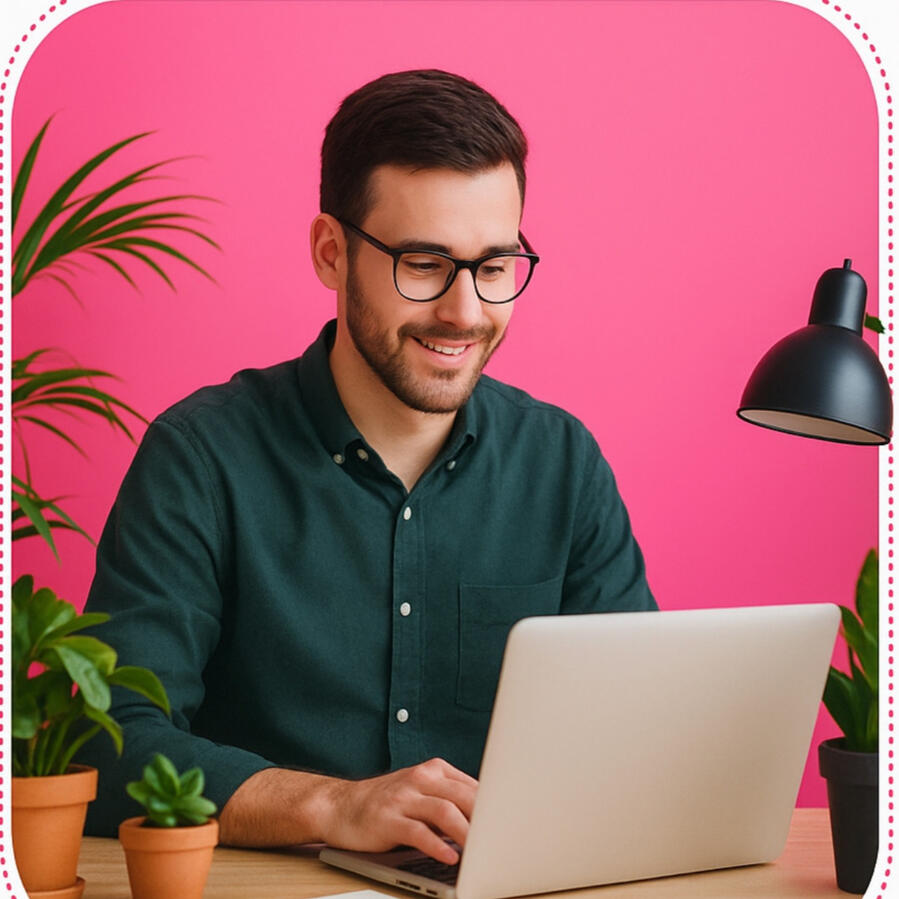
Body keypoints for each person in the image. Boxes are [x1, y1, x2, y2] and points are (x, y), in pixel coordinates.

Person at [80, 69, 656, 864]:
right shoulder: (201, 456)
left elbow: (640, 734)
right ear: (330, 252)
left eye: (493, 266)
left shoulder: (562, 462)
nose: (464, 311)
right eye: (423, 264)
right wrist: (329, 804)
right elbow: (107, 746)